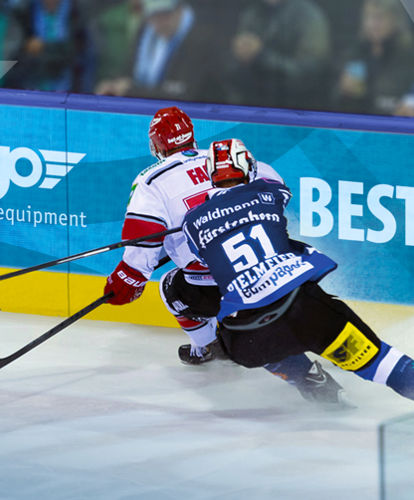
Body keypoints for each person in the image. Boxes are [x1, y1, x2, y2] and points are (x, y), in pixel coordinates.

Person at [103, 106, 351, 407]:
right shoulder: (224, 157)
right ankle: (346, 346)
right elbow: (278, 191)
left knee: (179, 293)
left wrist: (128, 280)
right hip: (272, 263)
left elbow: (141, 246)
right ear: (191, 134)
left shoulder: (150, 181)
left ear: (157, 145)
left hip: (222, 282)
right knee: (302, 301)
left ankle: (209, 347)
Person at [181, 138, 414, 403]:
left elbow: (204, 253)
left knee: (266, 340)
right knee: (378, 362)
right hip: (306, 315)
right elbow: (279, 193)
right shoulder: (268, 193)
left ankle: (313, 385)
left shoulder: (191, 222)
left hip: (244, 338)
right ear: (247, 166)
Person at [95, 0, 224, 103]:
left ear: (179, 9)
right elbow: (129, 70)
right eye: (153, 16)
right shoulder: (146, 30)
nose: (159, 23)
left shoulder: (202, 37)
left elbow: (185, 92)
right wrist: (113, 85)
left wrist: (132, 91)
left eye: (165, 15)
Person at [222, 0, 332, 110]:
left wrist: (262, 56)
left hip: (293, 111)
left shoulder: (309, 16)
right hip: (250, 108)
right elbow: (231, 70)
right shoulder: (253, 13)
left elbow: (311, 73)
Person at [333, 0, 414, 115]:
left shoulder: (408, 57)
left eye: (379, 18)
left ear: (395, 20)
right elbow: (331, 103)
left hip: (395, 128)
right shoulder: (354, 53)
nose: (373, 24)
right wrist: (343, 91)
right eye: (369, 17)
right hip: (358, 127)